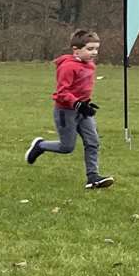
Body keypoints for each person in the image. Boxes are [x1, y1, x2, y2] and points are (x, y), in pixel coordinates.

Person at [25, 30, 114, 188]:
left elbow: (82, 88)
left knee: (93, 142)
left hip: (83, 110)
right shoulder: (67, 67)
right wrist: (77, 103)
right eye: (90, 49)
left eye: (96, 49)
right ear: (76, 49)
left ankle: (93, 176)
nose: (94, 53)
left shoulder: (90, 65)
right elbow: (62, 93)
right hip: (65, 112)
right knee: (67, 147)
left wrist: (86, 103)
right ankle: (40, 146)